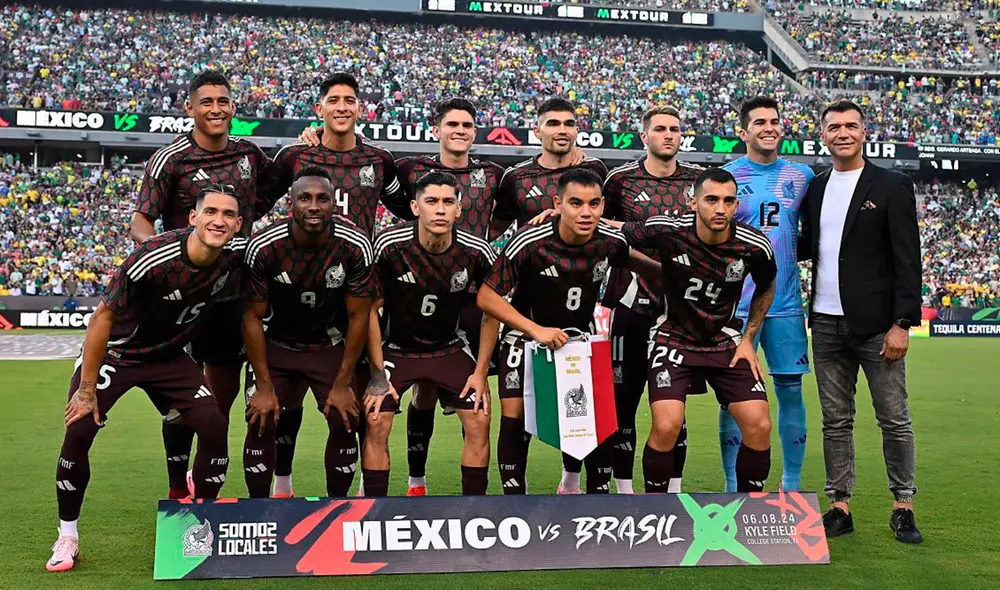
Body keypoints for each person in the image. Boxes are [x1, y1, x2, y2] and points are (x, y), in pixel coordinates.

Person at [48, 186, 246, 572]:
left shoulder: (236, 259)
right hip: (119, 354)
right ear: (193, 217)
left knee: (213, 422)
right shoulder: (154, 257)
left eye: (228, 215)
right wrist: (87, 390)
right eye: (210, 212)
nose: (218, 220)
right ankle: (67, 534)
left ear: (238, 224)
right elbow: (102, 316)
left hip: (169, 359)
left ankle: (200, 525)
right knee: (79, 429)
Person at [258, 72, 409, 497]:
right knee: (287, 398)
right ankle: (282, 486)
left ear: (360, 109)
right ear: (319, 108)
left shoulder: (379, 161)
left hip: (355, 289)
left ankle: (361, 487)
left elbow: (412, 209)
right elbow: (252, 204)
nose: (342, 107)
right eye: (334, 100)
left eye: (350, 100)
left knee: (355, 399)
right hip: (297, 287)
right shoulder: (294, 156)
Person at [130, 70, 274, 499]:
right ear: (190, 109)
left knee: (219, 402)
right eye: (206, 102)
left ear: (233, 107)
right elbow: (141, 221)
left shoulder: (250, 155)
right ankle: (178, 489)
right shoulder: (170, 160)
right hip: (184, 298)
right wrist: (169, 254)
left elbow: (283, 184)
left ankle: (204, 484)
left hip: (234, 294)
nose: (216, 109)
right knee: (180, 402)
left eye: (223, 101)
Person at [477, 168, 660, 496]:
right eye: (576, 203)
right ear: (558, 204)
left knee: (594, 424)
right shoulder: (530, 241)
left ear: (603, 205)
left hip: (580, 341)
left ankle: (596, 506)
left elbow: (634, 260)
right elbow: (487, 296)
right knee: (515, 417)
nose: (586, 212)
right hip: (526, 338)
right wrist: (537, 330)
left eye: (593, 204)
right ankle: (514, 504)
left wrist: (670, 273)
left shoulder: (609, 240)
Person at [799, 100, 922, 544]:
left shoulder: (891, 185)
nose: (843, 133)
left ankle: (903, 506)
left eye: (851, 125)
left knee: (894, 418)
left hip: (876, 325)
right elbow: (806, 247)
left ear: (864, 131)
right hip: (826, 322)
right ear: (824, 135)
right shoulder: (815, 187)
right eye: (834, 127)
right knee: (836, 421)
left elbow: (909, 260)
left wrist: (903, 322)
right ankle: (839, 506)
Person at [616, 167, 777, 494]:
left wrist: (748, 339)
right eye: (711, 200)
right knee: (667, 424)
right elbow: (616, 233)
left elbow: (766, 285)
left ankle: (748, 509)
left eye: (728, 201)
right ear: (693, 203)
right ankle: (656, 510)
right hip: (672, 337)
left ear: (736, 206)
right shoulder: (667, 230)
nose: (720, 208)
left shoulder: (754, 246)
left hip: (725, 341)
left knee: (759, 425)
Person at [489, 97, 608, 493]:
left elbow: (610, 229)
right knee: (515, 412)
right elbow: (495, 228)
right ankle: (513, 498)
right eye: (553, 123)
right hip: (527, 306)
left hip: (576, 312)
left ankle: (571, 485)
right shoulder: (515, 177)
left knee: (577, 409)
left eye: (569, 123)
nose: (562, 129)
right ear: (537, 130)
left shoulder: (594, 171)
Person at [390, 98, 504, 497]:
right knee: (422, 388)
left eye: (468, 125)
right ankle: (416, 481)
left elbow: (504, 216)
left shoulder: (493, 174)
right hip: (419, 288)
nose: (460, 131)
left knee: (471, 395)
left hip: (471, 296)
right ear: (436, 130)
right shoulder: (410, 170)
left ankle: (473, 496)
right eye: (452, 124)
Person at [360, 171, 498, 496]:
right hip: (395, 348)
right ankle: (375, 508)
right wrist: (377, 373)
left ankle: (474, 510)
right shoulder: (389, 246)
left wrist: (480, 373)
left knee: (479, 417)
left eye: (448, 202)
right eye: (431, 201)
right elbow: (367, 309)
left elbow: (492, 312)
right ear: (415, 206)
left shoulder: (477, 252)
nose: (440, 209)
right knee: (377, 419)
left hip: (447, 347)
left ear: (459, 209)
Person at [241, 167, 374, 498]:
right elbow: (252, 318)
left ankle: (337, 510)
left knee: (346, 419)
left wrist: (343, 384)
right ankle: (261, 511)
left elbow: (359, 315)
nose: (314, 206)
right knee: (260, 418)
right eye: (305, 198)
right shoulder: (264, 247)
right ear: (291, 203)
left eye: (322, 198)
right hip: (275, 343)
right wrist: (263, 385)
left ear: (334, 204)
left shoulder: (355, 245)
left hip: (326, 343)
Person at [601, 106, 703, 495]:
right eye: (659, 129)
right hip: (630, 306)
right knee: (622, 402)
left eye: (675, 129)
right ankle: (625, 491)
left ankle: (673, 490)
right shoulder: (620, 181)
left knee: (674, 408)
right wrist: (656, 267)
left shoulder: (698, 181)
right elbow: (606, 237)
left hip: (682, 313)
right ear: (644, 137)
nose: (668, 135)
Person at [720, 96, 816, 492]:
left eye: (774, 121)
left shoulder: (802, 176)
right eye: (759, 122)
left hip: (786, 303)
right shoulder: (725, 177)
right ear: (743, 132)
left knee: (790, 391)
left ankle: (790, 486)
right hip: (735, 306)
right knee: (731, 398)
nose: (769, 127)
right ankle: (732, 486)